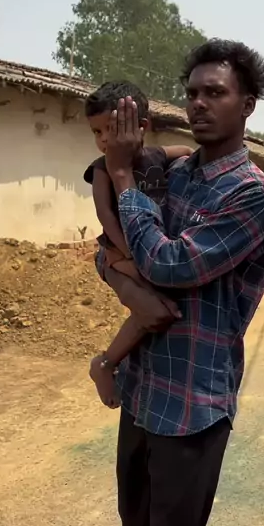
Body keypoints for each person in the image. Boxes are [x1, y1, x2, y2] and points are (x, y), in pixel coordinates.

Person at [102, 39, 264, 526]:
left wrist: (123, 175)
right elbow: (110, 248)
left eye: (216, 92)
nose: (199, 103)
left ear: (247, 105)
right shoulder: (172, 174)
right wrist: (127, 287)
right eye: (193, 93)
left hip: (193, 400)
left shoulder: (253, 195)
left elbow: (169, 264)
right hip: (145, 383)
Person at [83, 81, 193, 407]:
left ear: (141, 126)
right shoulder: (102, 169)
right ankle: (106, 364)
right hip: (117, 255)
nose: (104, 139)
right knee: (157, 309)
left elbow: (186, 151)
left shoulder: (155, 156)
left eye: (112, 129)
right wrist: (130, 254)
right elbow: (105, 215)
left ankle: (110, 363)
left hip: (147, 253)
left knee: (159, 311)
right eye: (97, 132)